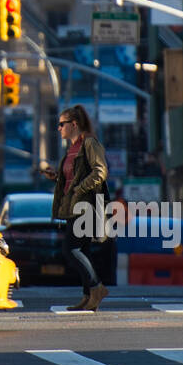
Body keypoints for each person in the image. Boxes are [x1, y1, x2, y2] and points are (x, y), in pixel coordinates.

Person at [39, 105, 110, 311]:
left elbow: (100, 172)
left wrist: (80, 188)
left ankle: (97, 287)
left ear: (74, 124)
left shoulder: (89, 143)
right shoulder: (71, 149)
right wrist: (56, 176)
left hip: (85, 206)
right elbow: (72, 177)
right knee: (82, 250)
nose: (58, 128)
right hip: (73, 206)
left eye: (62, 124)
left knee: (71, 250)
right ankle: (88, 297)